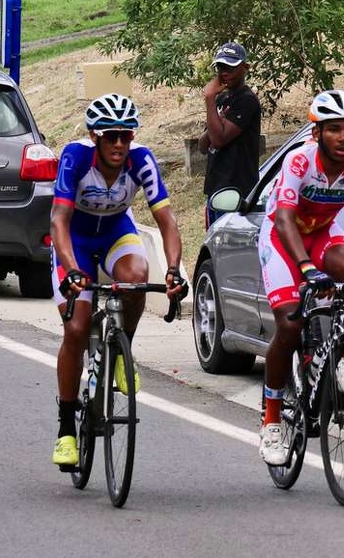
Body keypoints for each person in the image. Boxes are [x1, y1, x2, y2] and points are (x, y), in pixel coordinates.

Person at [50, 93, 186, 467]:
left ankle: (123, 351)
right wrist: (72, 268)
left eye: (126, 136)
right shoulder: (76, 157)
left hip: (114, 232)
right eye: (111, 136)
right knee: (76, 329)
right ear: (95, 136)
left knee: (136, 277)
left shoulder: (141, 159)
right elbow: (59, 221)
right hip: (75, 238)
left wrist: (173, 268)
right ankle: (65, 427)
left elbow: (168, 221)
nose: (119, 144)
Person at [257, 89, 344, 465]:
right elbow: (284, 218)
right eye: (334, 129)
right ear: (316, 133)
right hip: (282, 238)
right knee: (287, 323)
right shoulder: (299, 161)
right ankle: (270, 420)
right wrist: (304, 268)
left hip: (322, 233)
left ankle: (342, 351)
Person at [198, 41, 261, 228]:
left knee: (228, 247)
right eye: (221, 67)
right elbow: (203, 145)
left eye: (231, 67)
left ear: (245, 68)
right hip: (216, 188)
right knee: (213, 245)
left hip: (236, 190)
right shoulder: (223, 98)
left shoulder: (246, 100)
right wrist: (217, 119)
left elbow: (217, 140)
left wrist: (209, 99)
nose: (224, 72)